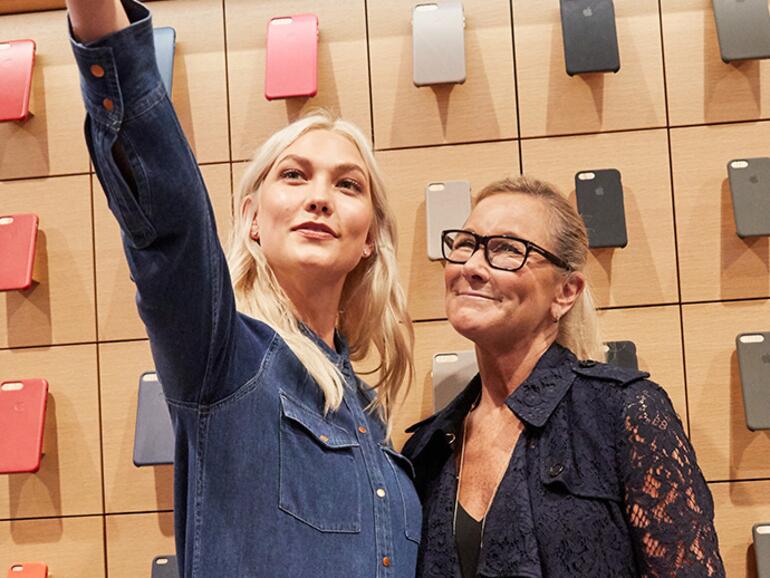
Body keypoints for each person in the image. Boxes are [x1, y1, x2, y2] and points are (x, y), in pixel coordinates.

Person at [65, 1, 420, 576]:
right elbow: (169, 222)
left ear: (370, 239)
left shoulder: (369, 416)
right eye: (294, 174)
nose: (320, 197)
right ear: (253, 218)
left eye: (347, 185)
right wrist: (100, 26)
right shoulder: (223, 357)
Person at [402, 176, 725, 577]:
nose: (472, 266)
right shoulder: (427, 448)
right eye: (465, 244)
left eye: (506, 250)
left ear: (566, 292)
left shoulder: (624, 413)